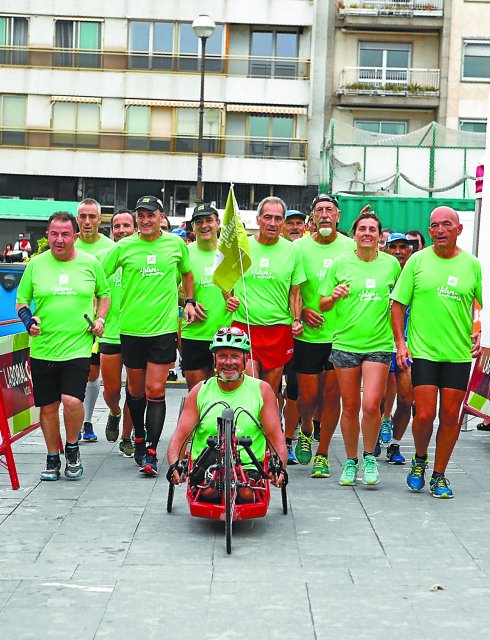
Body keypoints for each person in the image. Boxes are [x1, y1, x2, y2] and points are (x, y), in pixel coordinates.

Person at [102, 195, 196, 476]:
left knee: (155, 390)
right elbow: (99, 275)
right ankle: (139, 437)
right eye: (141, 215)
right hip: (130, 331)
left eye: (151, 215)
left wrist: (189, 300)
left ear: (161, 217)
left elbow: (187, 274)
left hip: (163, 330)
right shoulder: (125, 247)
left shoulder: (175, 244)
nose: (145, 220)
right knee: (135, 390)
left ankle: (152, 451)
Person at [391, 206, 482, 498]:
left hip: (457, 354)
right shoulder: (417, 262)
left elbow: (484, 304)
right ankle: (419, 459)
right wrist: (401, 344)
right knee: (425, 414)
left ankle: (439, 474)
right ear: (429, 232)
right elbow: (398, 304)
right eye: (434, 226)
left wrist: (482, 333)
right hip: (424, 351)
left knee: (450, 415)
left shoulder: (473, 265)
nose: (440, 230)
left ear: (459, 229)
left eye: (446, 224)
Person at [16, 211, 110, 481]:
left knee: (71, 400)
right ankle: (52, 457)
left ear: (75, 236)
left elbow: (105, 294)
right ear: (47, 235)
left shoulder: (90, 263)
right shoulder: (36, 264)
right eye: (54, 234)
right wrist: (27, 320)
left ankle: (71, 448)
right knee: (47, 407)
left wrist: (100, 319)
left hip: (78, 346)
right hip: (43, 347)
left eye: (65, 234)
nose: (59, 239)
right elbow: (22, 302)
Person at [319, 210, 401, 487]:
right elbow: (322, 304)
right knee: (351, 406)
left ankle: (369, 457)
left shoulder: (391, 265)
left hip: (379, 343)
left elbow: (400, 304)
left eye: (372, 230)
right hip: (345, 343)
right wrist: (333, 296)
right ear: (354, 235)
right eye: (362, 229)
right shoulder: (340, 264)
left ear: (380, 236)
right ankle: (350, 460)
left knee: (371, 404)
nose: (367, 233)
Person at [167, 327, 287, 501]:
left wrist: (280, 466)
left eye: (235, 356)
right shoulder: (200, 391)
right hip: (207, 464)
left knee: (246, 494)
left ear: (245, 359)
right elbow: (180, 436)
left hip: (248, 465)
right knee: (209, 493)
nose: (228, 362)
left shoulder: (262, 390)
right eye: (222, 356)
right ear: (214, 359)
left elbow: (275, 436)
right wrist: (174, 465)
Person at [294, 194, 355, 476]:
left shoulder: (351, 247)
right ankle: (306, 428)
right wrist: (303, 312)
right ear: (313, 217)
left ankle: (323, 452)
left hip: (340, 336)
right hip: (307, 335)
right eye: (319, 210)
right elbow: (291, 289)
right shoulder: (299, 247)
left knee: (332, 397)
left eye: (330, 210)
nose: (325, 215)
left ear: (338, 216)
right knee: (307, 397)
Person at [231, 196, 305, 395]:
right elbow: (224, 281)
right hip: (245, 326)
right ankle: (248, 426)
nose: (272, 223)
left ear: (283, 222)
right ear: (258, 220)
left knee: (268, 392)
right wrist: (228, 298)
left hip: (278, 330)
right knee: (249, 389)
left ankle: (269, 424)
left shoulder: (293, 250)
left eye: (278, 218)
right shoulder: (241, 246)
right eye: (267, 217)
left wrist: (297, 320)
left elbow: (295, 292)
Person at [180, 203, 238, 390]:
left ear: (218, 223)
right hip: (194, 335)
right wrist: (188, 302)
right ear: (193, 226)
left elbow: (243, 290)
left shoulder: (230, 253)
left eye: (208, 221)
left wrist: (234, 300)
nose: (204, 225)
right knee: (197, 394)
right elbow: (168, 291)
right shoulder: (184, 253)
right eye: (199, 222)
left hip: (225, 336)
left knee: (224, 394)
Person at [75, 198, 114, 442]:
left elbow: (110, 290)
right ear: (77, 219)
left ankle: (87, 421)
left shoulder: (111, 248)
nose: (87, 222)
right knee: (78, 373)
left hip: (102, 326)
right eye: (83, 217)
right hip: (73, 325)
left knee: (92, 373)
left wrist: (103, 317)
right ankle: (77, 423)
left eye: (92, 217)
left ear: (100, 220)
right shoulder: (68, 245)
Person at [98, 209, 136, 456]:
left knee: (134, 390)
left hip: (136, 332)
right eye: (117, 226)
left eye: (126, 226)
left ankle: (126, 436)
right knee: (112, 391)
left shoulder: (142, 256)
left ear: (134, 228)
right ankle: (114, 412)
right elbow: (92, 289)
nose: (121, 230)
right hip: (110, 334)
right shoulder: (103, 257)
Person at [377, 233, 414, 464]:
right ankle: (375, 436)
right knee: (379, 395)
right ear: (386, 250)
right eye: (393, 247)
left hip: (409, 345)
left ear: (409, 251)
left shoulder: (416, 274)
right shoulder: (380, 272)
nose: (398, 251)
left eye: (403, 247)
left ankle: (394, 443)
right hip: (381, 343)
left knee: (407, 398)